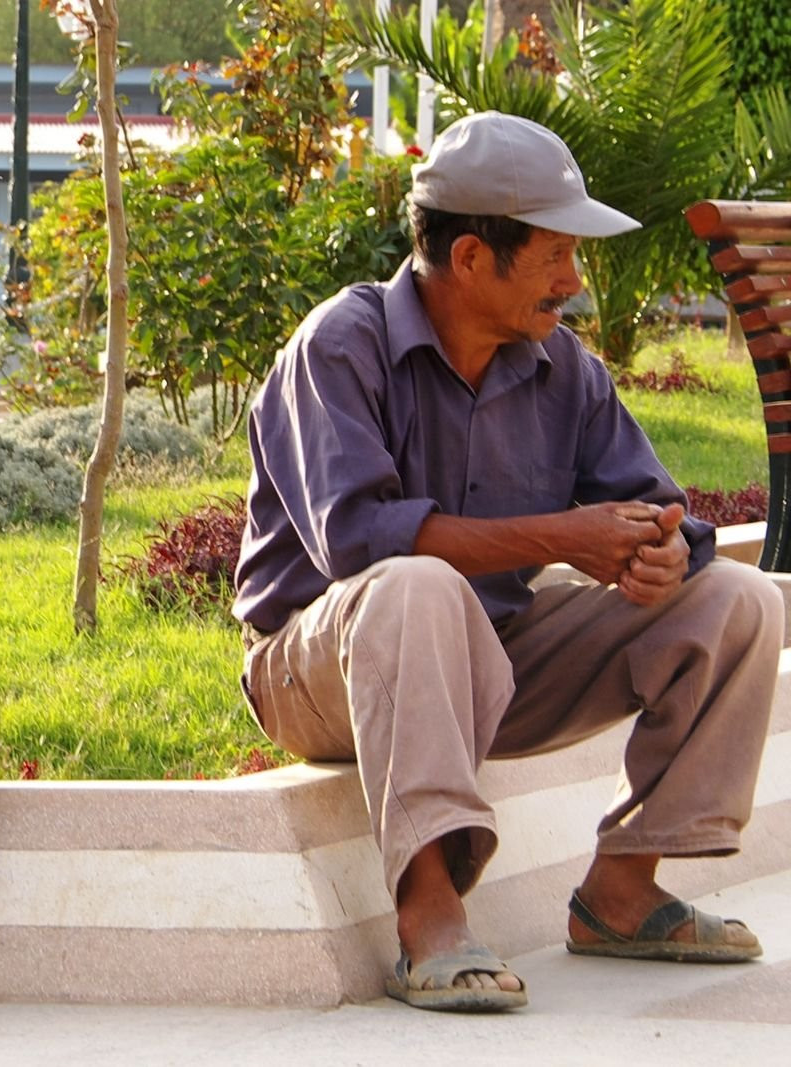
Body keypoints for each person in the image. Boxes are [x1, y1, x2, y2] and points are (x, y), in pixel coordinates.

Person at [233, 111, 781, 1013]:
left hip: (494, 651)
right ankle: (428, 913)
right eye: (557, 255)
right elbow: (360, 540)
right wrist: (564, 537)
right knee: (417, 585)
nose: (575, 282)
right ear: (472, 258)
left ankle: (622, 891)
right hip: (323, 671)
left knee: (736, 599)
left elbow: (668, 512)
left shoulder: (562, 366)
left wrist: (661, 556)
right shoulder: (339, 345)